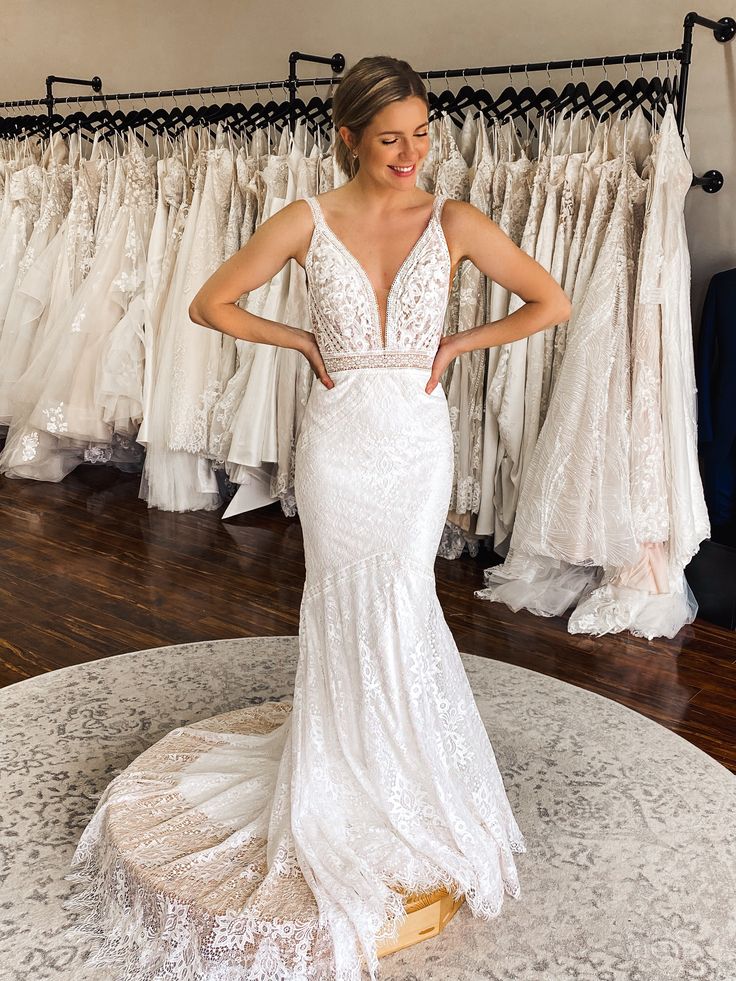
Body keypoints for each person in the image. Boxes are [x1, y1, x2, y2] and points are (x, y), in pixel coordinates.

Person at [72, 55, 571, 981]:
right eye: (390, 138)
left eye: (423, 134)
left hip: (416, 442)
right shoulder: (305, 220)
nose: (411, 154)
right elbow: (209, 302)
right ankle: (343, 767)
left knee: (402, 590)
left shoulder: (454, 219)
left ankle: (402, 764)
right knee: (343, 592)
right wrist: (299, 337)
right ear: (347, 136)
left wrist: (460, 339)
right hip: (340, 440)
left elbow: (552, 301)